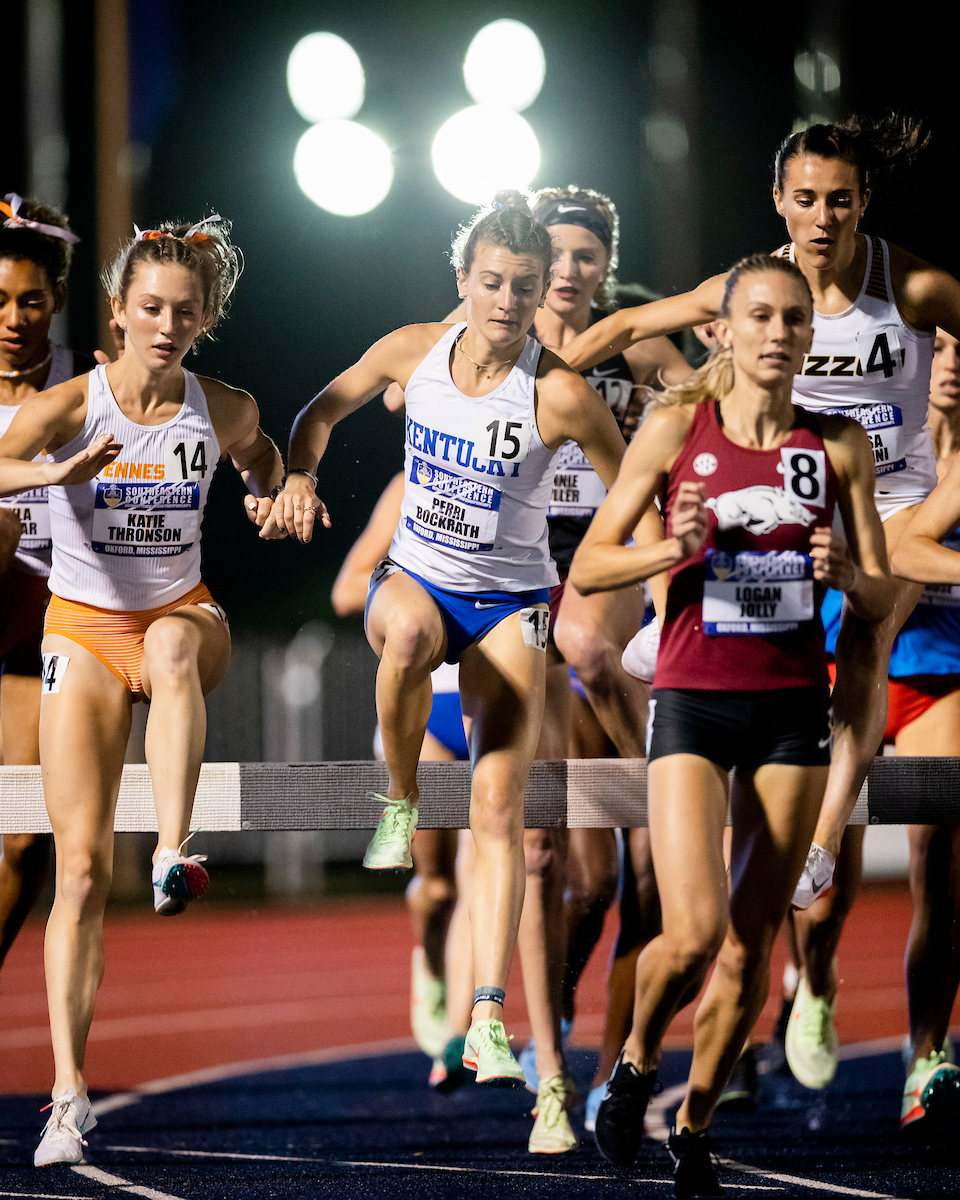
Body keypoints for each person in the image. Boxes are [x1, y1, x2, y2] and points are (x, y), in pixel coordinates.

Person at [560, 115, 960, 1086]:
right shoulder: (755, 289)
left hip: (886, 506)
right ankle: (769, 990)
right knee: (707, 583)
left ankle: (823, 849)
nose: (824, 218)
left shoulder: (914, 287)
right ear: (780, 201)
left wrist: (950, 391)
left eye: (843, 200)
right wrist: (517, 385)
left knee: (878, 607)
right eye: (808, 199)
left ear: (866, 203)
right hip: (773, 519)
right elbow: (618, 327)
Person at [264, 192, 627, 1135]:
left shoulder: (562, 393)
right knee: (411, 639)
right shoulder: (412, 350)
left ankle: (488, 1016)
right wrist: (300, 474)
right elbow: (320, 410)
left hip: (514, 601)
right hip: (417, 578)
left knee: (504, 811)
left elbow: (636, 485)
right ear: (462, 281)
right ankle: (397, 799)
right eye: (494, 284)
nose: (509, 303)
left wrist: (647, 560)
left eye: (527, 288)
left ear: (547, 291)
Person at [569, 253, 892, 1198]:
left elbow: (876, 592)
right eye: (760, 316)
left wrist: (843, 575)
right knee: (694, 927)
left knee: (753, 942)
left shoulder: (837, 445)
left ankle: (697, 1122)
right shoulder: (677, 425)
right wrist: (675, 546)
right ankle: (635, 1062)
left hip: (792, 707)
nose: (779, 333)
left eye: (795, 319)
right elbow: (590, 568)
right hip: (696, 697)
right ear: (725, 328)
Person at [0, 215, 283, 1167]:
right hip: (79, 627)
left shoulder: (223, 407)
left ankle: (170, 849)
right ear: (118, 313)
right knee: (75, 872)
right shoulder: (76, 405)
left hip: (185, 617)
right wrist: (49, 473)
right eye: (149, 308)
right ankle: (69, 1097)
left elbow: (266, 461)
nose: (166, 324)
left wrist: (276, 494)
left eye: (184, 312)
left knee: (167, 648)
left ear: (205, 320)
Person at [0, 195, 89, 972]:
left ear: (55, 298)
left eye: (31, 300)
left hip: (47, 627)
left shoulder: (86, 385)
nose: (13, 317)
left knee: (25, 835)